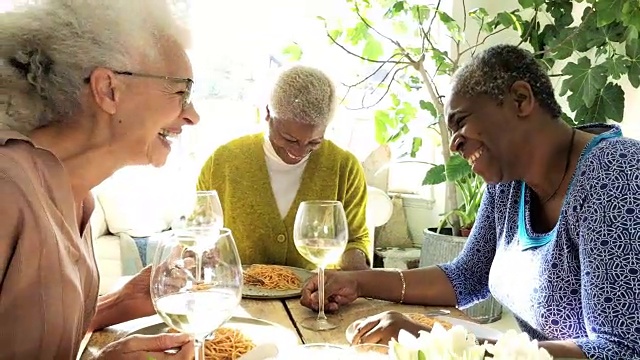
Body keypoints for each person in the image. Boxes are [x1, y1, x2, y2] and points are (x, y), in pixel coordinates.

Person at [300, 44, 640, 359]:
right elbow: (467, 276)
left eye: (460, 122)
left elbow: (618, 350)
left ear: (521, 100)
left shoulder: (617, 174)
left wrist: (437, 342)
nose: (453, 145)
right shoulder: (509, 183)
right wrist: (357, 281)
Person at [0, 0, 200, 358]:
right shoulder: (7, 189)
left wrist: (116, 304)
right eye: (181, 91)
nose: (192, 116)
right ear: (108, 90)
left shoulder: (76, 196)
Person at [197, 65, 370, 270]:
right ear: (268, 113)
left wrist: (358, 277)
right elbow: (200, 231)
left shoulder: (345, 167)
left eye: (314, 142)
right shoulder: (222, 162)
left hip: (315, 296)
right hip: (240, 296)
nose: (299, 151)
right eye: (289, 139)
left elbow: (355, 240)